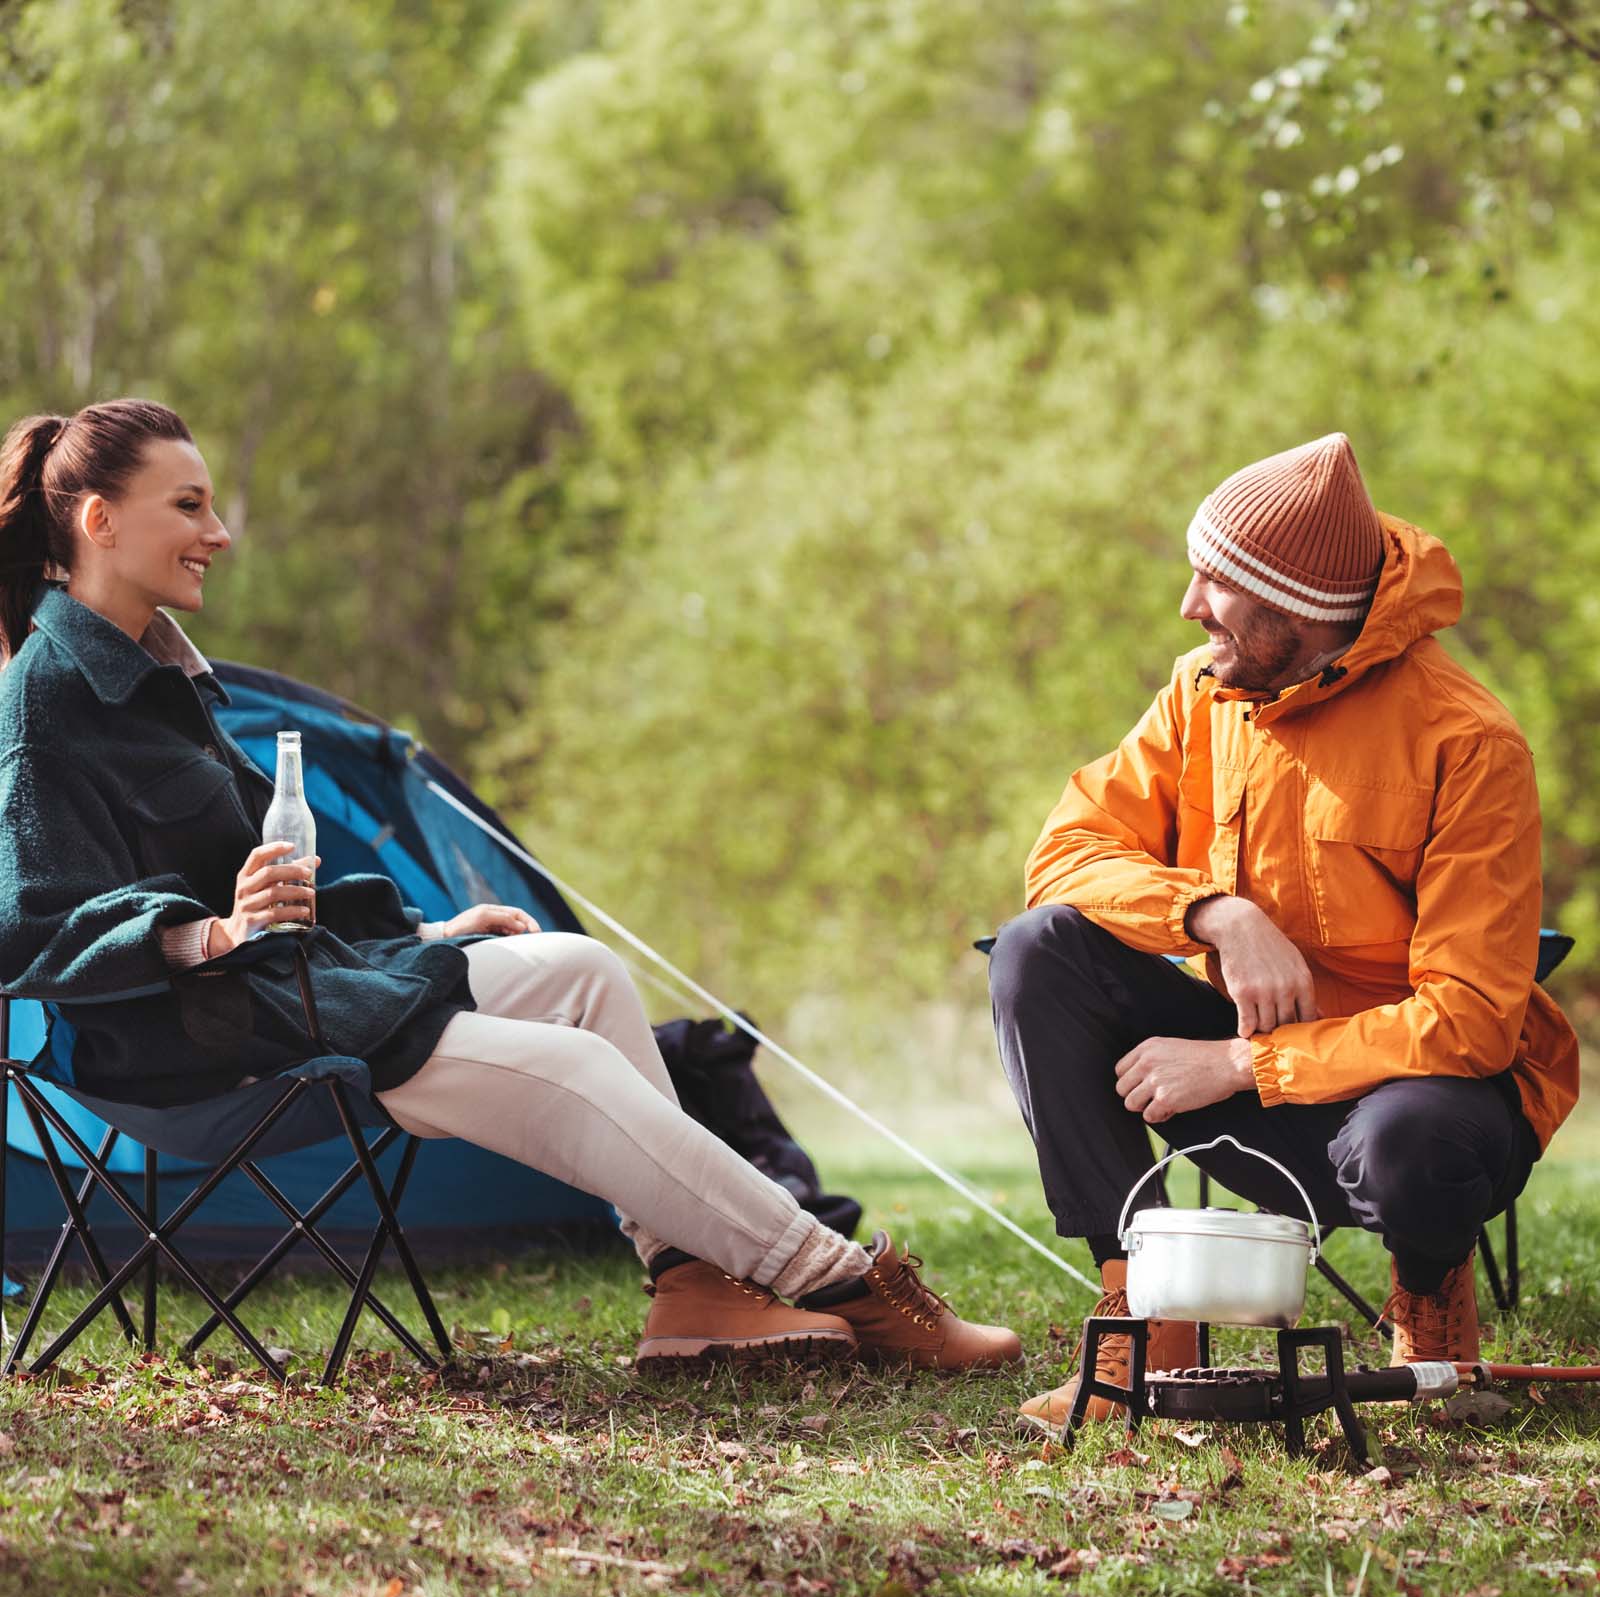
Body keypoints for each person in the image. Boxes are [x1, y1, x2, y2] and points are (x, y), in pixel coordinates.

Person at [0, 398, 1022, 1376]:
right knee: (566, 1070)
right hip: (191, 1048)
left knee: (580, 972)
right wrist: (209, 935)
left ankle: (690, 1285)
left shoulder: (166, 680)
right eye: (188, 505)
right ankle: (842, 1281)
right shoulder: (45, 696)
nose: (217, 531)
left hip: (286, 998)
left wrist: (430, 927)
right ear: (99, 520)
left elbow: (285, 878)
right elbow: (27, 927)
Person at [987, 433, 1578, 1431]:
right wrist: (1212, 913)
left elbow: (1472, 1022)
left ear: (1295, 608)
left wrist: (1239, 1060)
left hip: (1411, 1110)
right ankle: (1142, 1318)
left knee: (1417, 1135)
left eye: (1214, 582)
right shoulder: (1202, 690)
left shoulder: (1468, 742)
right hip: (1252, 1090)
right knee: (1039, 950)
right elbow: (1068, 850)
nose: (1187, 606)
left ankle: (1429, 1311)